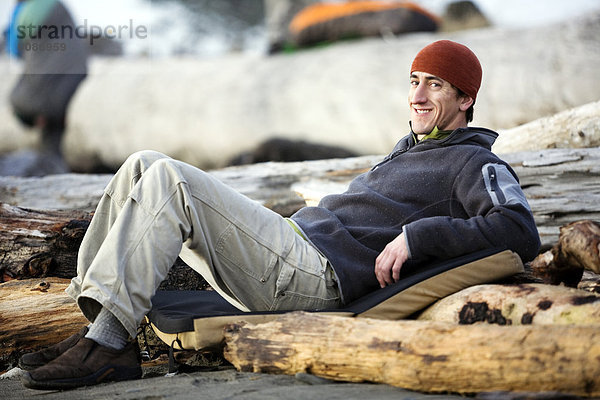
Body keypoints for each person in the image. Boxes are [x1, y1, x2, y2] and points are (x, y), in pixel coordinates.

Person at [20, 40, 541, 390]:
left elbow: (519, 230)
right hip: (293, 246)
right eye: (414, 81)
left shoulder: (473, 161)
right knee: (142, 164)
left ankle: (110, 346)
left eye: (435, 85)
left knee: (171, 179)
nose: (419, 95)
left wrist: (417, 237)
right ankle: (95, 325)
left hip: (316, 277)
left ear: (466, 97)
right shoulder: (412, 147)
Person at [5, 0, 87, 173]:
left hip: (45, 88)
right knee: (53, 133)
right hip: (75, 78)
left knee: (18, 102)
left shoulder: (25, 10)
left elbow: (14, 48)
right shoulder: (58, 5)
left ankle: (51, 162)